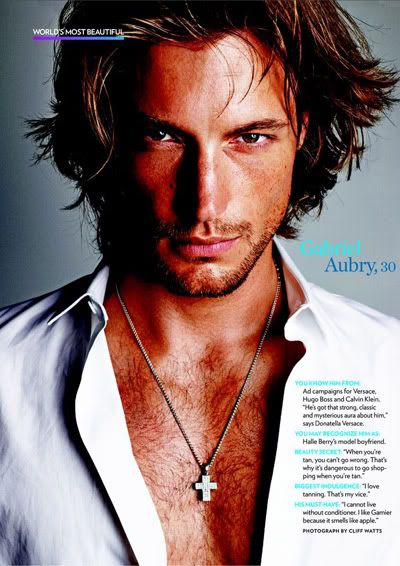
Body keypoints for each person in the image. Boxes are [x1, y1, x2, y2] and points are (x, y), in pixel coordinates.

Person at [0, 1, 399, 565]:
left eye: (250, 137)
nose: (204, 202)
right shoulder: (7, 380)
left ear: (303, 132)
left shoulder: (390, 378)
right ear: (107, 135)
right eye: (163, 135)